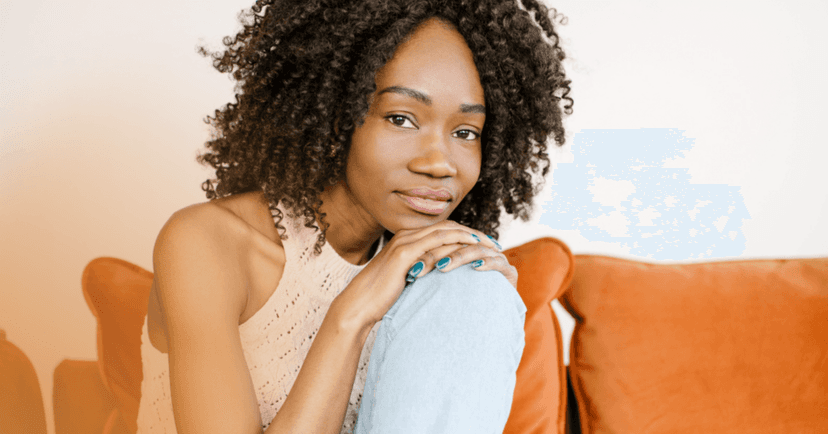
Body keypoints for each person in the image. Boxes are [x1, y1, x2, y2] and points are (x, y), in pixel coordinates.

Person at [136, 0, 572, 433]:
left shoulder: (429, 276)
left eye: (465, 133)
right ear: (332, 119)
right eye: (401, 119)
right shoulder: (205, 243)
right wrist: (352, 313)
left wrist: (482, 316)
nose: (441, 163)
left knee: (478, 295)